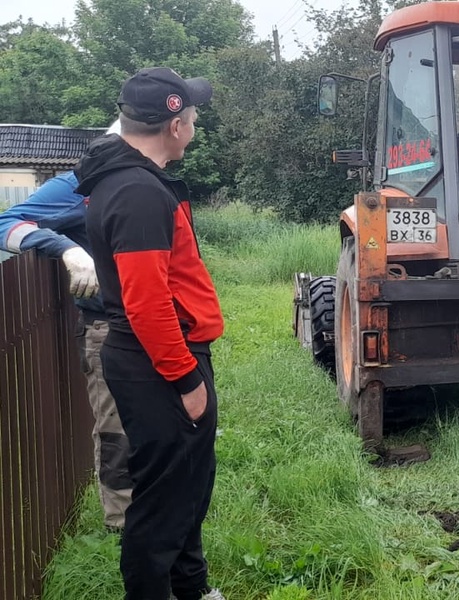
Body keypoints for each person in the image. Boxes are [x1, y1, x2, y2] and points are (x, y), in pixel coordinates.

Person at [75, 67, 225, 600]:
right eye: (192, 115)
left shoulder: (137, 181)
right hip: (157, 360)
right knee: (162, 502)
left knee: (185, 486)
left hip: (160, 355)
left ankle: (192, 588)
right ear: (175, 124)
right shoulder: (137, 192)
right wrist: (185, 379)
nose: (195, 123)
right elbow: (145, 302)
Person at [0, 120, 133, 532]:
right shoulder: (76, 186)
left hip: (146, 326)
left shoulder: (143, 184)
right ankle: (121, 525)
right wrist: (67, 249)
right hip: (105, 328)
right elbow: (6, 222)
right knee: (116, 432)